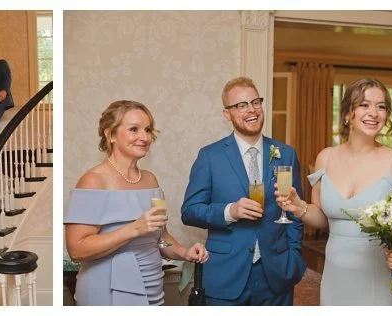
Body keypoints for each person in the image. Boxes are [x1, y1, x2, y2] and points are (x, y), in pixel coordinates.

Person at [276, 78, 392, 305]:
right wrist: (299, 207)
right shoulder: (325, 158)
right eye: (364, 105)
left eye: (381, 106)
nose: (374, 113)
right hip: (337, 275)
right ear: (348, 114)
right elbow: (323, 218)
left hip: (382, 274)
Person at [65, 100, 208, 305]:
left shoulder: (151, 180)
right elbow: (76, 250)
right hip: (107, 289)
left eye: (148, 130)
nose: (144, 137)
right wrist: (133, 229)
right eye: (134, 129)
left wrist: (185, 253)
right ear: (110, 134)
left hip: (152, 285)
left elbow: (160, 238)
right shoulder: (93, 180)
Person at [180, 77, 306, 306]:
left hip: (277, 275)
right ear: (227, 114)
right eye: (241, 105)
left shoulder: (285, 153)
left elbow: (295, 211)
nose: (252, 110)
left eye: (255, 102)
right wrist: (230, 211)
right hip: (225, 275)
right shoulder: (210, 156)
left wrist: (293, 257)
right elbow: (189, 211)